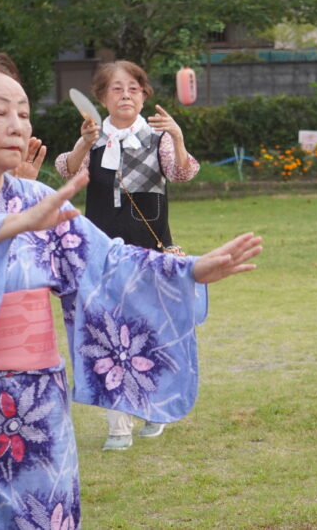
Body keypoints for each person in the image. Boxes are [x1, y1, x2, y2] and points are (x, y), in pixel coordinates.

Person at [0, 61, 261, 529]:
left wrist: (191, 269)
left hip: (33, 404)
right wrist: (17, 225)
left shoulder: (35, 198)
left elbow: (108, 263)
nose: (17, 125)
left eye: (23, 113)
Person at [55, 60, 200, 450]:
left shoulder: (157, 138)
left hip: (150, 249)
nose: (126, 95)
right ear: (101, 97)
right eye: (117, 89)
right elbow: (68, 173)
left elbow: (182, 173)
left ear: (144, 95)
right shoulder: (94, 139)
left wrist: (179, 136)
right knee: (108, 335)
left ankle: (154, 407)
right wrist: (85, 141)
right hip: (102, 252)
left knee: (150, 332)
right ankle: (118, 427)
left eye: (134, 88)